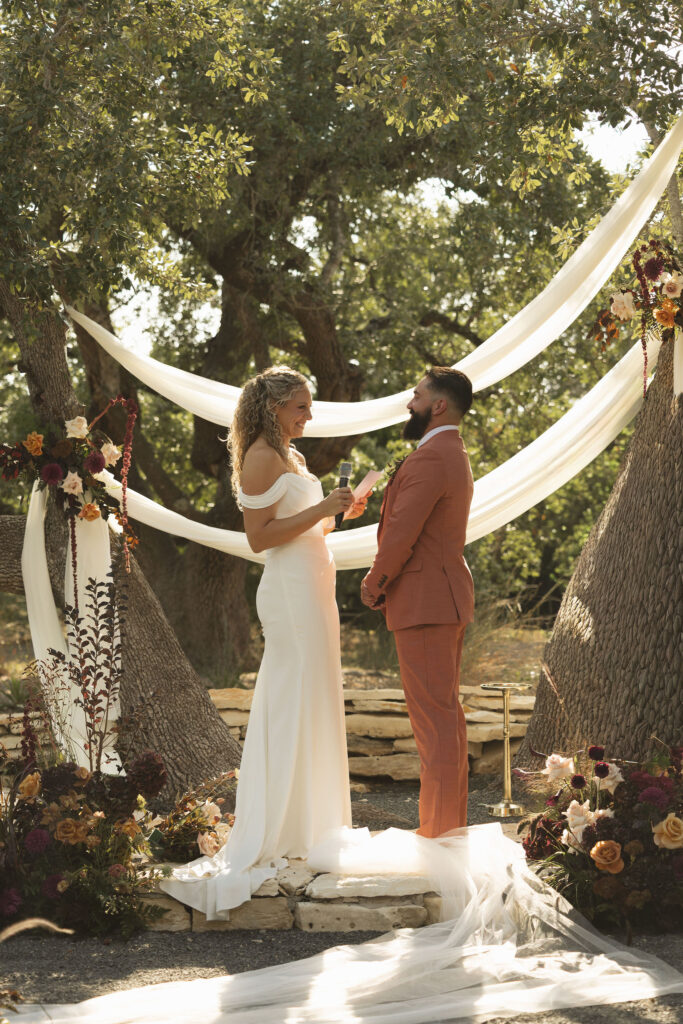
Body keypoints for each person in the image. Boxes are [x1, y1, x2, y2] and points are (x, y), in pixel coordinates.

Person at [161, 366, 368, 919]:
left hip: (315, 587)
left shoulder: (294, 458)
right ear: (273, 407)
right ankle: (273, 830)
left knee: (315, 700)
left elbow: (305, 527)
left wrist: (338, 514)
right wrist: (322, 510)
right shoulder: (260, 455)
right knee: (289, 699)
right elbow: (259, 539)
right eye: (301, 406)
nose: (309, 416)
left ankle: (309, 824)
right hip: (289, 593)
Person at [361, 366, 474, 838]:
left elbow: (404, 531)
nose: (410, 403)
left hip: (426, 602)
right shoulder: (447, 452)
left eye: (417, 395)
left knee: (435, 724)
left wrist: (374, 581)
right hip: (437, 599)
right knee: (441, 718)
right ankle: (443, 831)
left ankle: (441, 838)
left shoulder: (433, 457)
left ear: (439, 405)